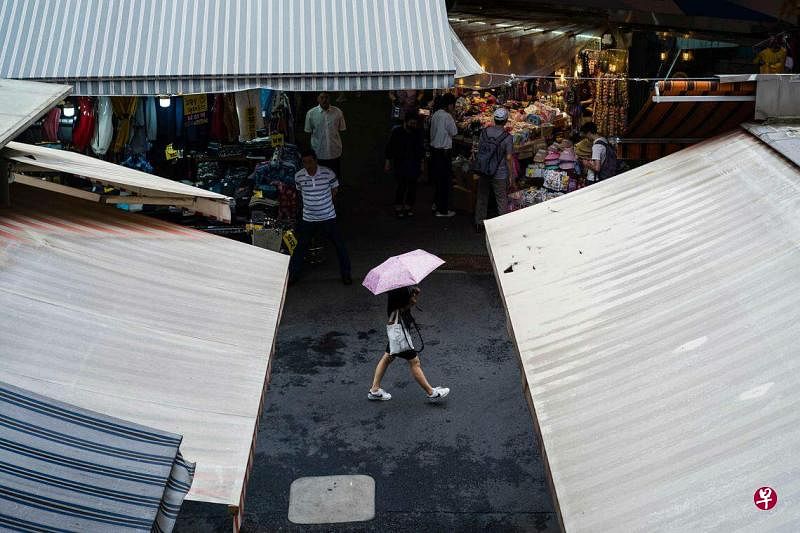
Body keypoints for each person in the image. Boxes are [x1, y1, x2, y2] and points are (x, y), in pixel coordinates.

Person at [368, 286, 450, 402]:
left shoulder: (394, 289)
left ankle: (375, 390)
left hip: (397, 333)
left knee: (387, 358)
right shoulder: (400, 290)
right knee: (414, 362)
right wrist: (413, 294)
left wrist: (413, 293)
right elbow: (408, 303)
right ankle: (431, 393)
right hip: (400, 335)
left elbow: (406, 305)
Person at [289, 148, 352, 286]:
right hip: (308, 218)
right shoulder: (299, 176)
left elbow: (334, 190)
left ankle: (346, 274)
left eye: (310, 162)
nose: (308, 165)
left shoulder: (328, 174)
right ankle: (293, 275)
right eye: (305, 162)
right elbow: (300, 192)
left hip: (328, 216)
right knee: (300, 247)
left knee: (339, 245)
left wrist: (325, 203)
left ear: (315, 161)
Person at [474, 107, 517, 230]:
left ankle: (479, 223)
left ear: (494, 119)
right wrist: (511, 176)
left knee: (482, 196)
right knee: (501, 199)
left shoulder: (484, 132)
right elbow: (509, 157)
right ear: (506, 120)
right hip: (500, 172)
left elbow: (480, 148)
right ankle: (501, 226)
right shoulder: (507, 137)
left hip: (484, 169)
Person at [385, 112, 424, 218]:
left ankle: (408, 206)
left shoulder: (416, 133)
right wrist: (388, 161)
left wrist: (421, 164)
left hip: (413, 162)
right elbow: (390, 147)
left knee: (412, 186)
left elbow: (420, 150)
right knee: (401, 186)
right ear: (406, 122)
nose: (413, 126)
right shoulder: (397, 132)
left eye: (415, 124)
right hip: (401, 162)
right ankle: (399, 206)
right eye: (412, 123)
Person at [304, 92, 346, 184]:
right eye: (322, 97)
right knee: (320, 178)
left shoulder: (338, 112)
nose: (324, 100)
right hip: (319, 153)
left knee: (335, 177)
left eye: (326, 97)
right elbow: (308, 132)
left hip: (335, 151)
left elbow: (342, 129)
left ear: (330, 98)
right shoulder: (311, 114)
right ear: (318, 99)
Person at [429, 93, 458, 217]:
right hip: (444, 153)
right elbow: (455, 132)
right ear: (450, 105)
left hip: (434, 151)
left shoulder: (435, 114)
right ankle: (443, 210)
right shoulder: (447, 117)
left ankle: (436, 204)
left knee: (438, 180)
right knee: (445, 182)